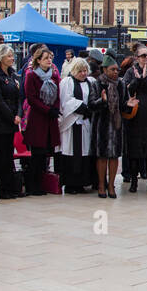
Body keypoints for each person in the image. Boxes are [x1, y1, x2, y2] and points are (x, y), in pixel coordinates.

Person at [121, 44, 147, 194]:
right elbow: (126, 90)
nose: (146, 58)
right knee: (134, 153)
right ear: (137, 57)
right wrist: (137, 81)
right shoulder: (130, 72)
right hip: (135, 118)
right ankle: (133, 182)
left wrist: (146, 79)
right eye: (143, 55)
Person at [21, 46, 61, 196]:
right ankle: (33, 185)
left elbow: (58, 94)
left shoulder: (54, 76)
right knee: (36, 154)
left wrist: (55, 108)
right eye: (45, 58)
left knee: (46, 154)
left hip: (50, 118)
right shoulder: (31, 75)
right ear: (38, 60)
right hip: (38, 117)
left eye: (50, 58)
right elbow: (31, 98)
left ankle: (43, 183)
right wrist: (47, 109)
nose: (49, 60)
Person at [0, 44, 25, 200]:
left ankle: (9, 187)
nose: (12, 58)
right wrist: (11, 116)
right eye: (9, 56)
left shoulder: (13, 75)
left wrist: (18, 114)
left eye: (12, 56)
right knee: (1, 154)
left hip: (12, 120)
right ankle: (0, 187)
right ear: (0, 57)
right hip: (1, 120)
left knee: (9, 155)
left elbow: (20, 97)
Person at [89, 58, 127, 198]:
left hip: (116, 124)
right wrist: (102, 101)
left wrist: (129, 105)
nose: (116, 72)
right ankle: (101, 185)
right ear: (104, 69)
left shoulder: (121, 84)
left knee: (114, 156)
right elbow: (91, 104)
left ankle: (111, 185)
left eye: (117, 70)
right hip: (101, 124)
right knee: (102, 156)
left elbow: (123, 105)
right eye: (112, 69)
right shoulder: (97, 84)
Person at [58, 57, 97, 194]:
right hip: (72, 122)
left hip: (85, 123)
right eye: (80, 71)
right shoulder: (67, 82)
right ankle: (71, 184)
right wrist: (82, 107)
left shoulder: (91, 82)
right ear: (74, 71)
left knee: (85, 152)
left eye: (85, 70)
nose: (83, 74)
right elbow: (66, 101)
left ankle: (83, 182)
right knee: (72, 152)